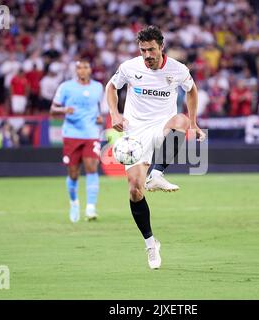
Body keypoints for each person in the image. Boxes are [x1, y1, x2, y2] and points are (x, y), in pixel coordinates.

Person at [105, 25, 206, 269]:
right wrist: (114, 114)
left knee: (181, 121)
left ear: (161, 47)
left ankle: (157, 174)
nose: (147, 55)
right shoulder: (129, 67)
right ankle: (151, 243)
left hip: (162, 124)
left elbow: (191, 90)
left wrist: (193, 122)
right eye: (143, 50)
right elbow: (111, 87)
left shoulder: (178, 69)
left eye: (151, 49)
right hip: (135, 131)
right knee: (134, 191)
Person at [50, 60, 104, 223]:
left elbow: (100, 109)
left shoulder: (98, 87)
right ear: (75, 70)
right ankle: (74, 202)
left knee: (91, 168)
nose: (82, 70)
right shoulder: (65, 87)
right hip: (71, 134)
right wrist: (64, 110)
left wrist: (101, 118)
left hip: (91, 133)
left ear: (90, 69)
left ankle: (91, 208)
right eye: (79, 67)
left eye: (85, 67)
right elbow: (53, 110)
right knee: (73, 174)